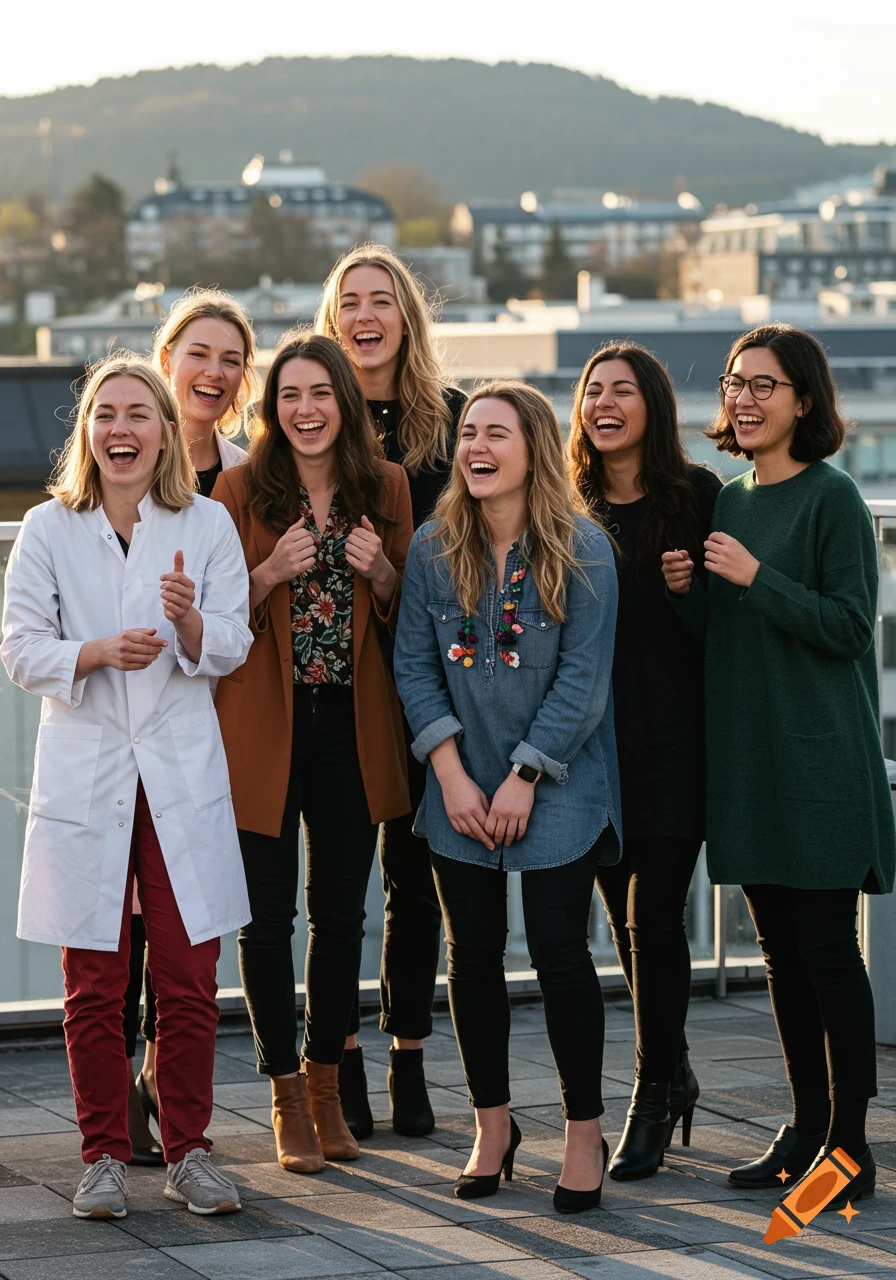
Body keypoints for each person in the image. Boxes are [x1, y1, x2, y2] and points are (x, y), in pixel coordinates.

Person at [1, 355, 252, 1219]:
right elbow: (18, 647)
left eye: (138, 413)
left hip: (178, 775)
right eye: (105, 413)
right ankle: (104, 1155)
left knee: (187, 978)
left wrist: (189, 619)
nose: (121, 428)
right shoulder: (48, 528)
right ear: (88, 432)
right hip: (91, 771)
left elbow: (234, 641)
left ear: (164, 432)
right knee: (94, 984)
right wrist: (97, 652)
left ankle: (188, 1151)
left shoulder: (207, 522)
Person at [662, 323, 896, 1212]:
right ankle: (805, 1132)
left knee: (828, 952)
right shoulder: (729, 501)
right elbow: (725, 639)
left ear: (804, 401)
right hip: (751, 765)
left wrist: (757, 576)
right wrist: (690, 596)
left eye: (765, 385)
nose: (745, 399)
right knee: (780, 957)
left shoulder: (834, 498)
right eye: (735, 383)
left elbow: (849, 627)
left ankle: (851, 1147)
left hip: (821, 763)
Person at [394, 380, 621, 1214]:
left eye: (497, 434)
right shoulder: (431, 546)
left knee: (560, 952)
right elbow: (414, 667)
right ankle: (493, 1127)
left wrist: (524, 776)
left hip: (557, 776)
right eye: (468, 433)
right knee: (473, 955)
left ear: (534, 449)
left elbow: (583, 682)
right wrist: (451, 774)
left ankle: (583, 1132)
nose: (476, 447)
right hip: (459, 776)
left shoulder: (585, 547)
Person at [211, 331, 413, 1175]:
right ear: (272, 408)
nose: (306, 409)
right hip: (265, 725)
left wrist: (384, 576)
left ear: (344, 402)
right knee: (266, 921)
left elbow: (414, 617)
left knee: (340, 918)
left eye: (320, 393)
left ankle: (328, 1090)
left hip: (351, 725)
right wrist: (266, 573)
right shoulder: (238, 490)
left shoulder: (387, 486)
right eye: (290, 395)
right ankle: (286, 1097)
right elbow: (213, 624)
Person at [316, 244, 466, 1138]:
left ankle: (408, 1053)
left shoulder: (451, 422)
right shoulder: (309, 411)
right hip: (331, 682)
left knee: (416, 881)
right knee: (337, 887)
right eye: (350, 301)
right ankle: (338, 1057)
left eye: (381, 300)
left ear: (407, 317)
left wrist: (390, 574)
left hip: (426, 680)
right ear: (332, 321)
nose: (364, 315)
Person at [568, 343, 721, 1180]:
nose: (604, 403)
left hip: (673, 745)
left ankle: (651, 1094)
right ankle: (675, 1066)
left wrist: (689, 592)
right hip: (594, 751)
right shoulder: (568, 505)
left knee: (651, 918)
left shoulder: (697, 497)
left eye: (622, 390)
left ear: (652, 406)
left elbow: (722, 629)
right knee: (627, 929)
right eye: (593, 390)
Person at [123, 289, 258, 1160]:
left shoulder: (246, 477)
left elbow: (241, 612)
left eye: (231, 360)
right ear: (167, 356)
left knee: (186, 920)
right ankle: (124, 1094)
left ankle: (159, 1087)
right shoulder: (120, 456)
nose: (213, 372)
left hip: (223, 718)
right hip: (133, 725)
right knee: (123, 916)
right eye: (199, 353)